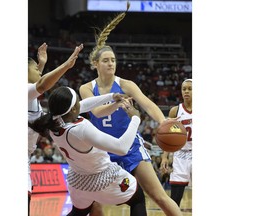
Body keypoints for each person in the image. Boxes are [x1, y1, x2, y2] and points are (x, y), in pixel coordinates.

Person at [79, 2, 181, 215]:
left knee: (158, 195)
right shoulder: (86, 88)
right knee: (93, 203)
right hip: (102, 150)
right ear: (95, 64)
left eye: (113, 60)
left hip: (130, 147)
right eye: (106, 60)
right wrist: (117, 101)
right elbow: (97, 112)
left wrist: (164, 122)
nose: (111, 64)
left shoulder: (126, 84)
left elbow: (148, 105)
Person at [29, 86, 182, 216]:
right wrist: (135, 118)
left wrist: (110, 96)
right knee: (138, 198)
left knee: (79, 212)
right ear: (73, 109)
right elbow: (121, 148)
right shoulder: (81, 129)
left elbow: (83, 105)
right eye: (77, 101)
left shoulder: (53, 122)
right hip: (103, 178)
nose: (80, 104)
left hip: (78, 182)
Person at [28, 42, 83, 215]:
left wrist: (41, 64)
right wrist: (66, 65)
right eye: (35, 68)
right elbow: (42, 84)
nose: (39, 70)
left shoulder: (31, 98)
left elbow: (37, 83)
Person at [160, 79, 192, 207]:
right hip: (181, 155)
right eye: (184, 89)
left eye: (190, 89)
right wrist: (164, 157)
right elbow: (168, 137)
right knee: (175, 199)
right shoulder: (176, 111)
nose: (186, 91)